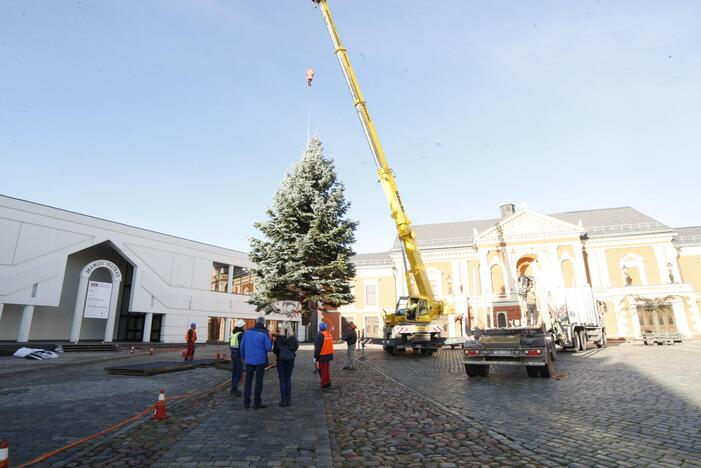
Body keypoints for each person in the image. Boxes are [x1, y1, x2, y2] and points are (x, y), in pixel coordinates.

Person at [240, 316, 272, 409]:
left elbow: (242, 346)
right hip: (260, 360)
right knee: (258, 382)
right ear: (263, 323)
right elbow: (268, 347)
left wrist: (243, 357)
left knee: (248, 381)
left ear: (256, 322)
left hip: (249, 360)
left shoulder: (247, 332)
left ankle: (246, 402)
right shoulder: (264, 333)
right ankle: (257, 402)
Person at [273, 322, 299, 407]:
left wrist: (280, 353)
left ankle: (283, 400)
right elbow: (296, 347)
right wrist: (290, 351)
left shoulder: (279, 338)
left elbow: (275, 349)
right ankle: (288, 400)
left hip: (281, 360)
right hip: (290, 360)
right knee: (288, 379)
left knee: (282, 380)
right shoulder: (292, 338)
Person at [314, 322, 334, 389]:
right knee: (326, 370)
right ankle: (328, 383)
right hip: (329, 354)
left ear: (320, 328)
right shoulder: (329, 334)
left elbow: (318, 347)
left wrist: (315, 357)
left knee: (322, 370)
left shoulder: (320, 335)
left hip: (322, 355)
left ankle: (324, 384)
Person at [229, 319, 246, 397]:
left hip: (233, 353)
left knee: (235, 371)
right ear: (242, 326)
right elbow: (242, 346)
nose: (244, 326)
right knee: (238, 372)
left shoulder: (233, 333)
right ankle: (234, 389)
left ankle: (233, 388)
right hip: (238, 354)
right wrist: (243, 356)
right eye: (243, 325)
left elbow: (230, 345)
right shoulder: (241, 334)